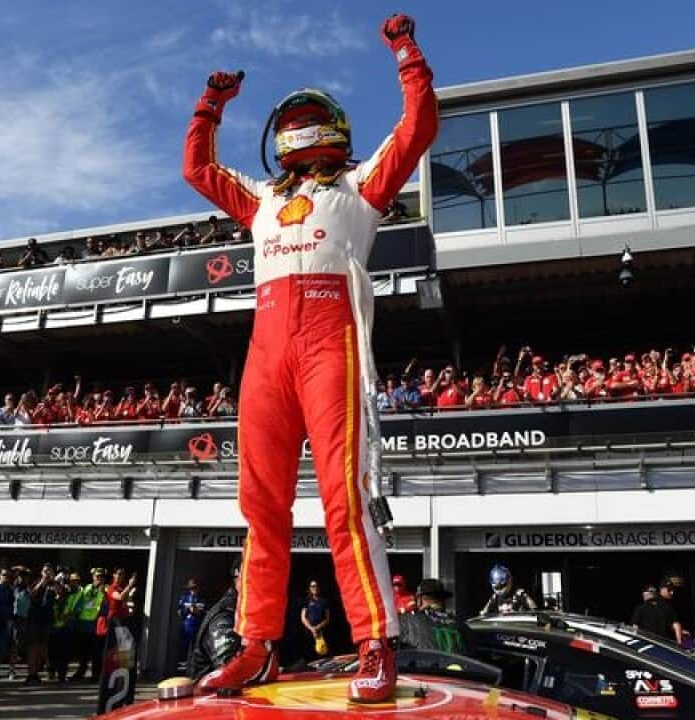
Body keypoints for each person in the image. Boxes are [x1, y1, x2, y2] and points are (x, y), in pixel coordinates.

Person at [183, 12, 436, 703]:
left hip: (331, 345)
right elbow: (196, 168)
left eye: (306, 118)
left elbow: (418, 128)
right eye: (294, 118)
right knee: (259, 507)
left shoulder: (360, 187)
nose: (299, 126)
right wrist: (212, 102)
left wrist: (405, 52)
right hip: (265, 354)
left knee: (343, 503)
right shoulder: (262, 197)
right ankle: (256, 646)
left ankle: (376, 643)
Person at [188, 561, 241, 680]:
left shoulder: (248, 613)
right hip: (210, 695)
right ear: (238, 580)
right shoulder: (224, 616)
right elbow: (229, 670)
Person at [399, 579, 467, 653]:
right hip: (457, 663)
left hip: (425, 663)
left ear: (420, 601)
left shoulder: (407, 622)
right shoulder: (461, 625)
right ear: (443, 600)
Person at [299, 580, 331, 661]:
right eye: (312, 586)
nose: (315, 588)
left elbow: (327, 618)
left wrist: (318, 628)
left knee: (322, 653)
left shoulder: (324, 601)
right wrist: (312, 629)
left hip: (322, 631)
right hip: (309, 632)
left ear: (319, 588)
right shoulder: (306, 601)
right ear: (310, 588)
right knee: (311, 654)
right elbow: (303, 618)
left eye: (316, 586)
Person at [177, 579, 206, 661]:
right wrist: (188, 610)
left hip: (198, 627)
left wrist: (198, 612)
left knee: (196, 648)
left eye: (195, 588)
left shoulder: (202, 598)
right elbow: (179, 611)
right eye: (192, 588)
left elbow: (205, 612)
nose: (193, 590)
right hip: (186, 627)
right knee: (184, 647)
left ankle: (192, 666)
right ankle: (182, 665)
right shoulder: (185, 598)